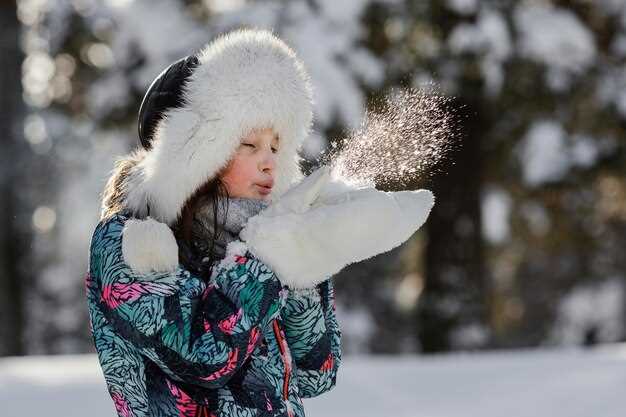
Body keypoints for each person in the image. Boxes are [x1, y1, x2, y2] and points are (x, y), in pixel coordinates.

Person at [86, 28, 435, 417]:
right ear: (193, 153)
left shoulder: (259, 236)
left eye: (276, 146)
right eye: (250, 145)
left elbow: (316, 373)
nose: (269, 161)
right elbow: (203, 357)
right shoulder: (130, 239)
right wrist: (269, 259)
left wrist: (307, 252)